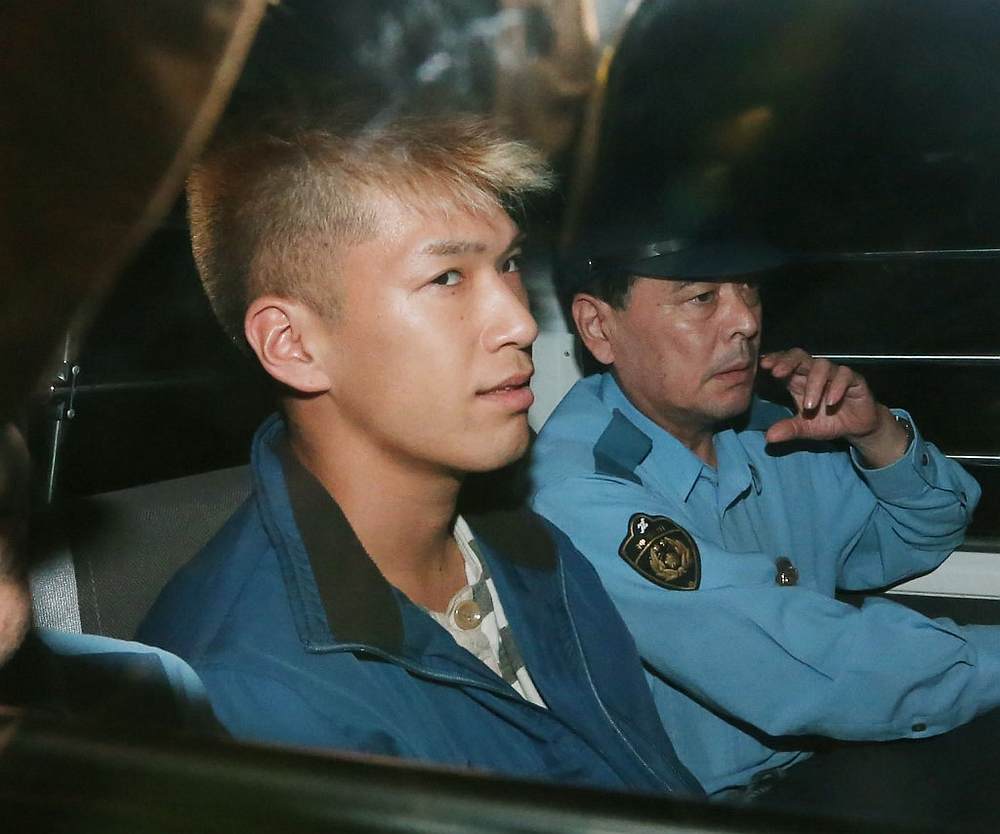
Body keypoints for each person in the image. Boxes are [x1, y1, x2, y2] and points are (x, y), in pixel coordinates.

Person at [136, 113, 701, 796]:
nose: (520, 323)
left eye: (509, 263)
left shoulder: (527, 545)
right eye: (447, 278)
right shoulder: (257, 691)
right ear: (293, 345)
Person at [526, 238, 998, 802]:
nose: (747, 321)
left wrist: (876, 436)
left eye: (748, 289)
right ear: (599, 329)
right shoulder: (582, 490)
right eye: (702, 297)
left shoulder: (764, 433)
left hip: (827, 767)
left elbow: (917, 537)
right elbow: (809, 670)